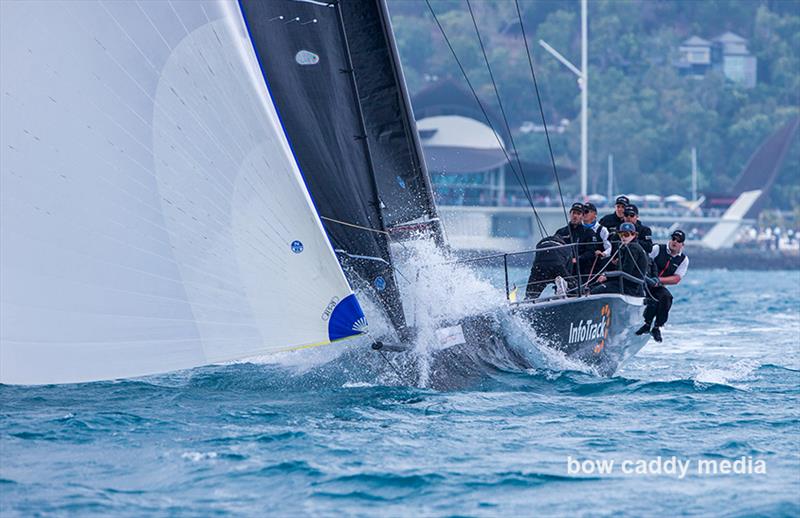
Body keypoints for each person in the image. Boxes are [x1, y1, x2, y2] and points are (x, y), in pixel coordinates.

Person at [636, 229, 689, 342]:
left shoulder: (683, 260)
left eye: (678, 240)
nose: (674, 242)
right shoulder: (658, 249)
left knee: (666, 298)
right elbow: (643, 259)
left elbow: (676, 278)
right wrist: (647, 277)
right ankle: (646, 324)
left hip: (658, 284)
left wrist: (659, 280)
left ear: (682, 245)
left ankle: (657, 327)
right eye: (673, 239)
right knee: (652, 301)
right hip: (643, 280)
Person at [591, 222, 649, 297]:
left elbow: (626, 271)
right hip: (627, 284)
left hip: (630, 287)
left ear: (634, 235)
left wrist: (607, 276)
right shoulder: (626, 247)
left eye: (626, 235)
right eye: (621, 235)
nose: (623, 237)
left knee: (595, 291)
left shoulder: (633, 248)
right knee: (594, 286)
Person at [555, 202, 597, 280]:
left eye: (578, 213)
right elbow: (555, 250)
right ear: (570, 214)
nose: (575, 216)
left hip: (582, 271)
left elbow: (591, 252)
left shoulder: (589, 232)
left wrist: (577, 259)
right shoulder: (560, 232)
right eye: (573, 213)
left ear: (583, 216)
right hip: (564, 270)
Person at [525, 234, 571, 300]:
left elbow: (534, 264)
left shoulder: (539, 246)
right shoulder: (567, 248)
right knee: (571, 284)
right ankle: (563, 286)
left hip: (540, 268)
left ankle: (528, 300)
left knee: (530, 295)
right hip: (557, 266)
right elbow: (569, 268)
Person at [582, 202, 611, 277]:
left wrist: (603, 253)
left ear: (594, 214)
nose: (584, 214)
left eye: (586, 211)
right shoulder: (578, 229)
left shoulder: (602, 230)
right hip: (582, 265)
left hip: (597, 265)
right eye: (582, 212)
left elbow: (609, 247)